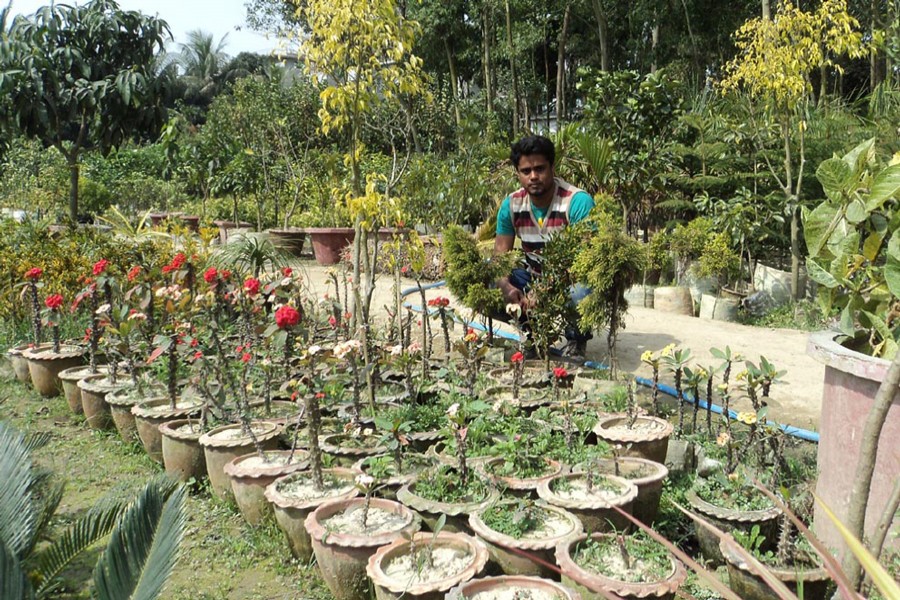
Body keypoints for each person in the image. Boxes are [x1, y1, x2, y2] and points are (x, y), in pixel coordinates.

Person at [494, 135, 595, 360]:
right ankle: (534, 335)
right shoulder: (511, 205)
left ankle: (576, 341)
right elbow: (500, 260)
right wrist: (507, 287)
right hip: (533, 276)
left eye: (540, 168)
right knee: (487, 281)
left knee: (580, 291)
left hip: (570, 277)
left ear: (552, 167)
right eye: (526, 171)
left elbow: (586, 262)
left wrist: (545, 289)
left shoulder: (576, 202)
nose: (533, 176)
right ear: (517, 173)